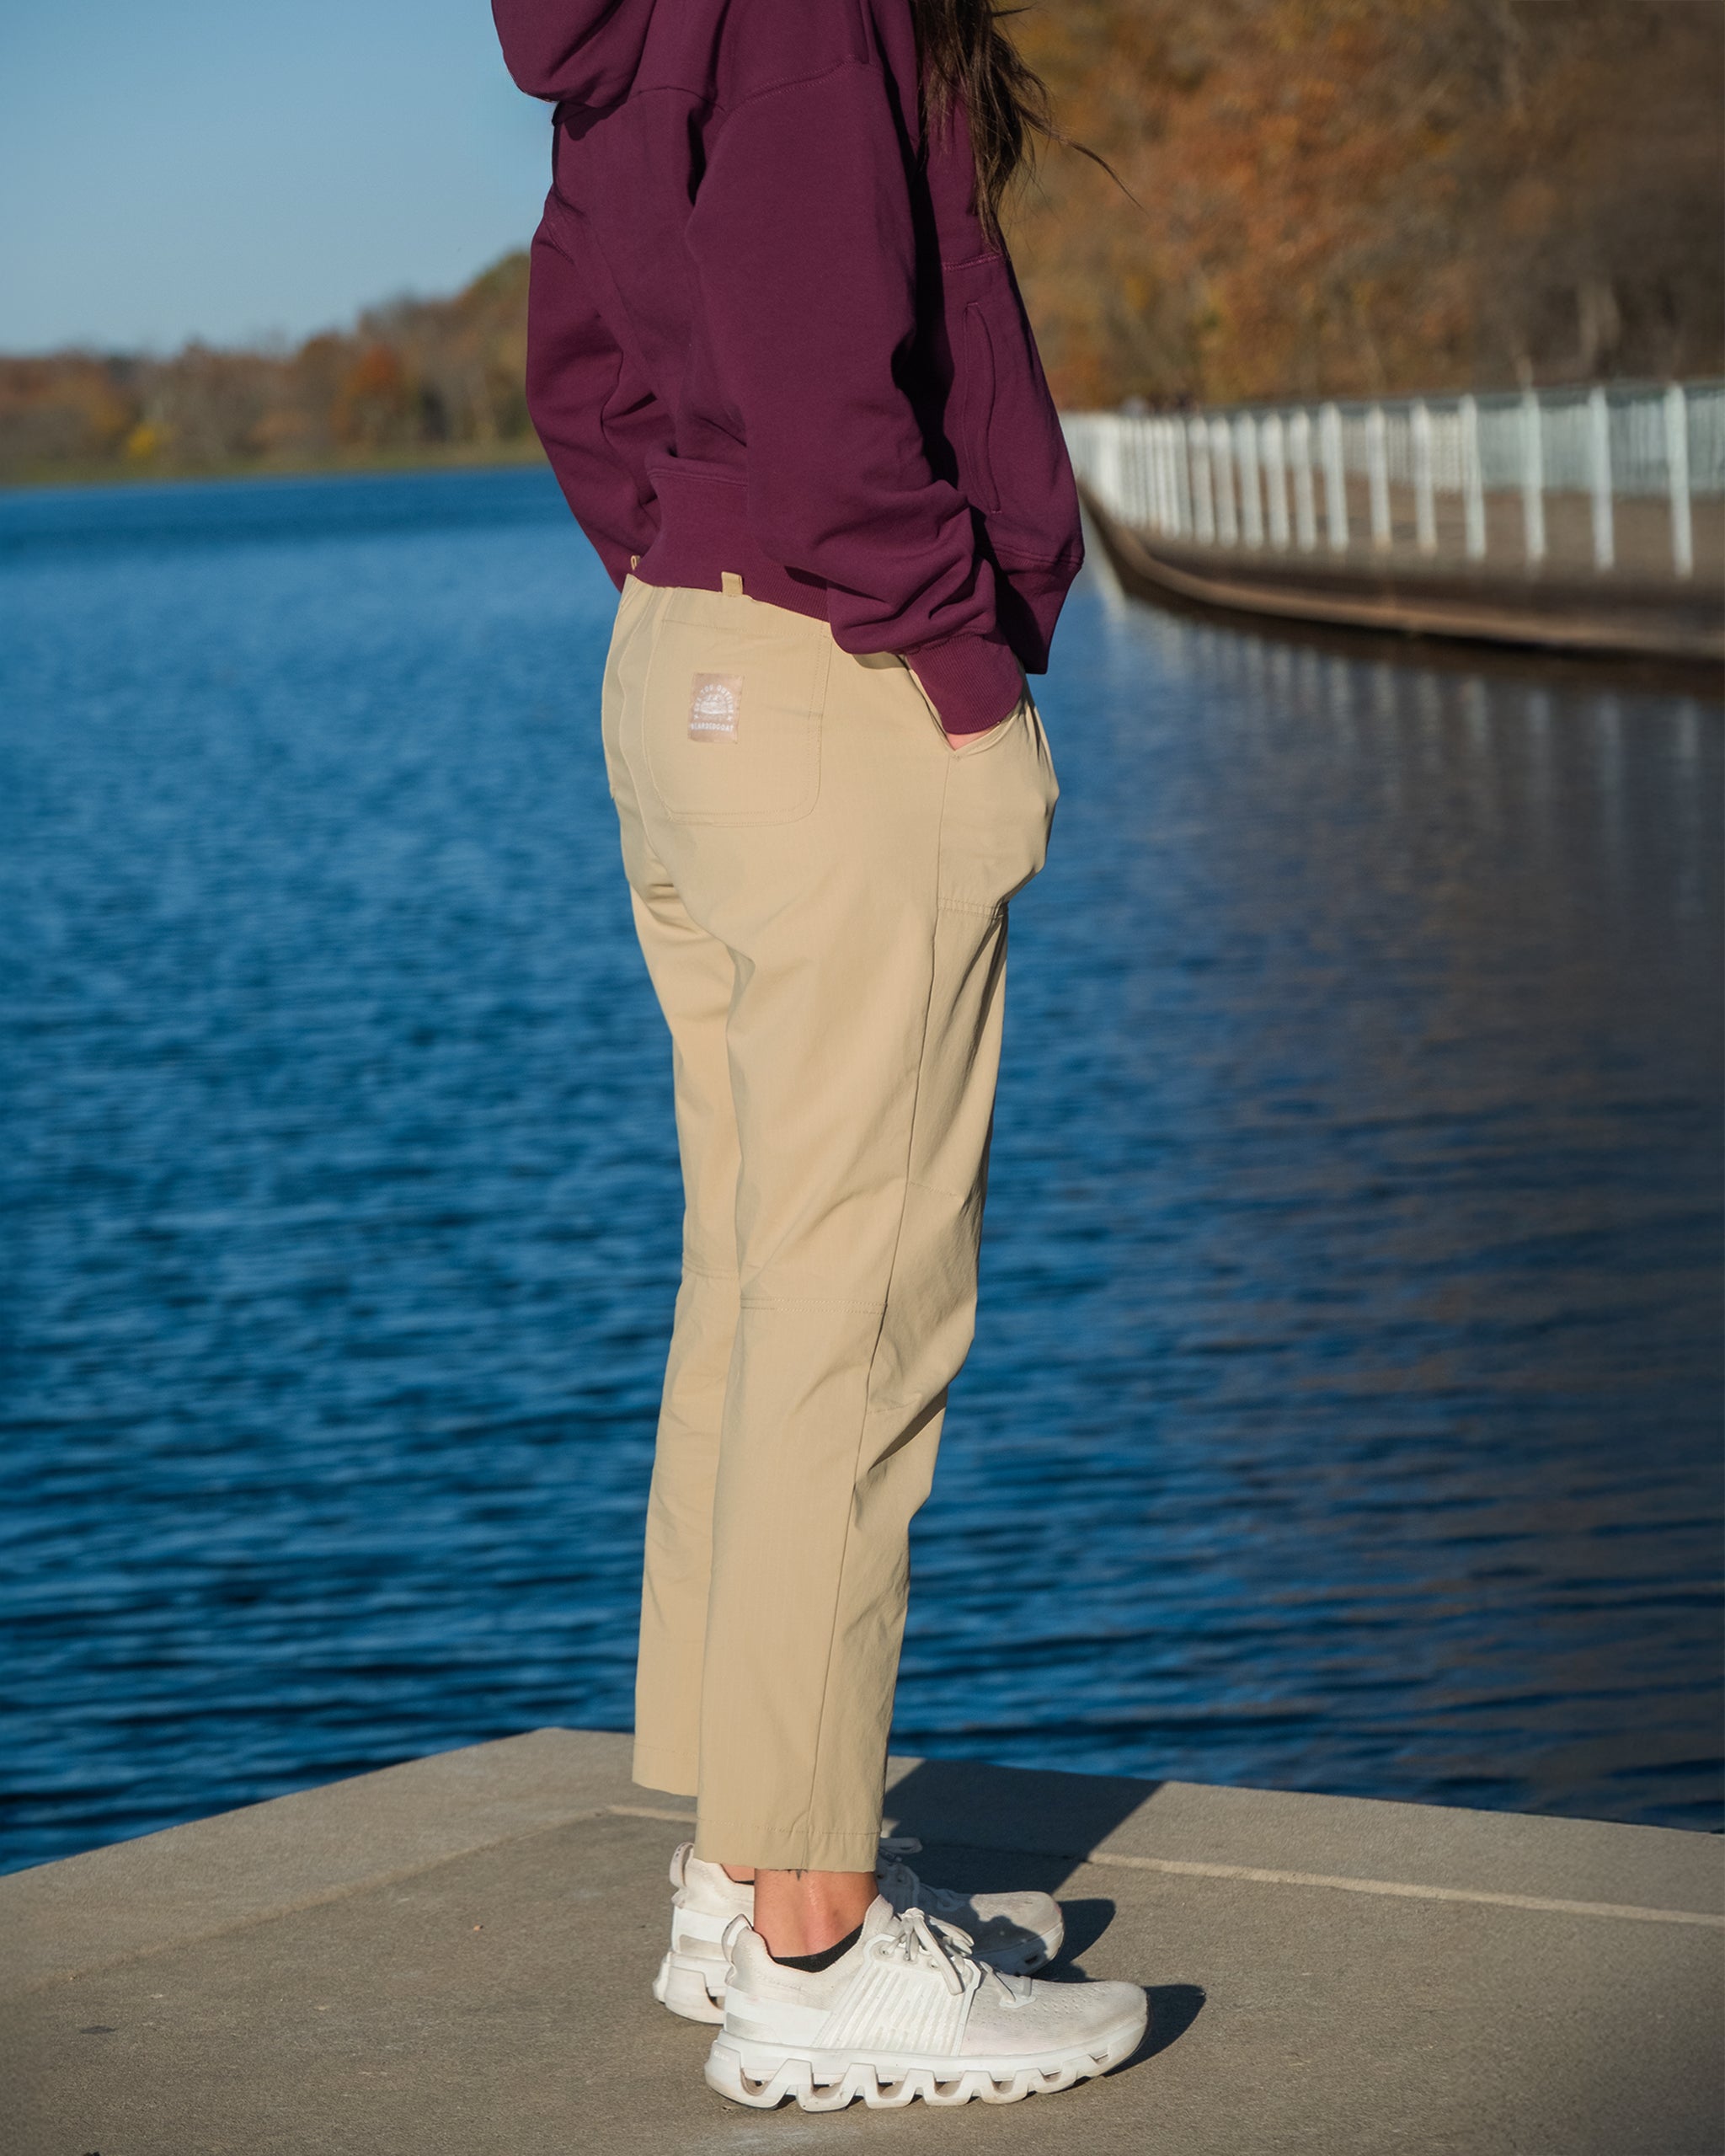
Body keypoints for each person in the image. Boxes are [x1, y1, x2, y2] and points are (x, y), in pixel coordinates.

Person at [493, 0, 1146, 2111]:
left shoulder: (634, 22)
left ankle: (741, 1866)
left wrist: (692, 575)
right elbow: (820, 362)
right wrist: (958, 669)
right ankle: (816, 1945)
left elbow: (585, 364)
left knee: (766, 1288)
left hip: (688, 657)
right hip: (840, 674)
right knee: (853, 1322)